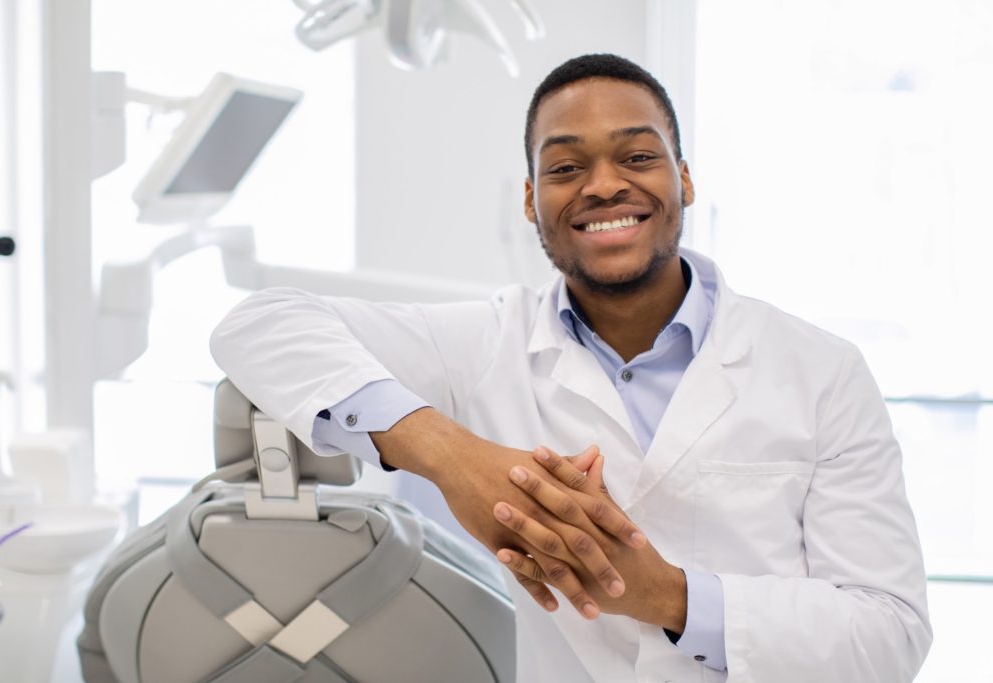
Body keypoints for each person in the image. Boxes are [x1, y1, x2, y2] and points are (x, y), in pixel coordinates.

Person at [210, 53, 932, 682]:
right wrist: (455, 459)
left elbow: (890, 635)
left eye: (638, 156)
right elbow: (261, 324)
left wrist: (668, 596)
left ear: (683, 177)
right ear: (531, 199)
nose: (603, 184)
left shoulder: (821, 371)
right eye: (564, 166)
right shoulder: (488, 341)